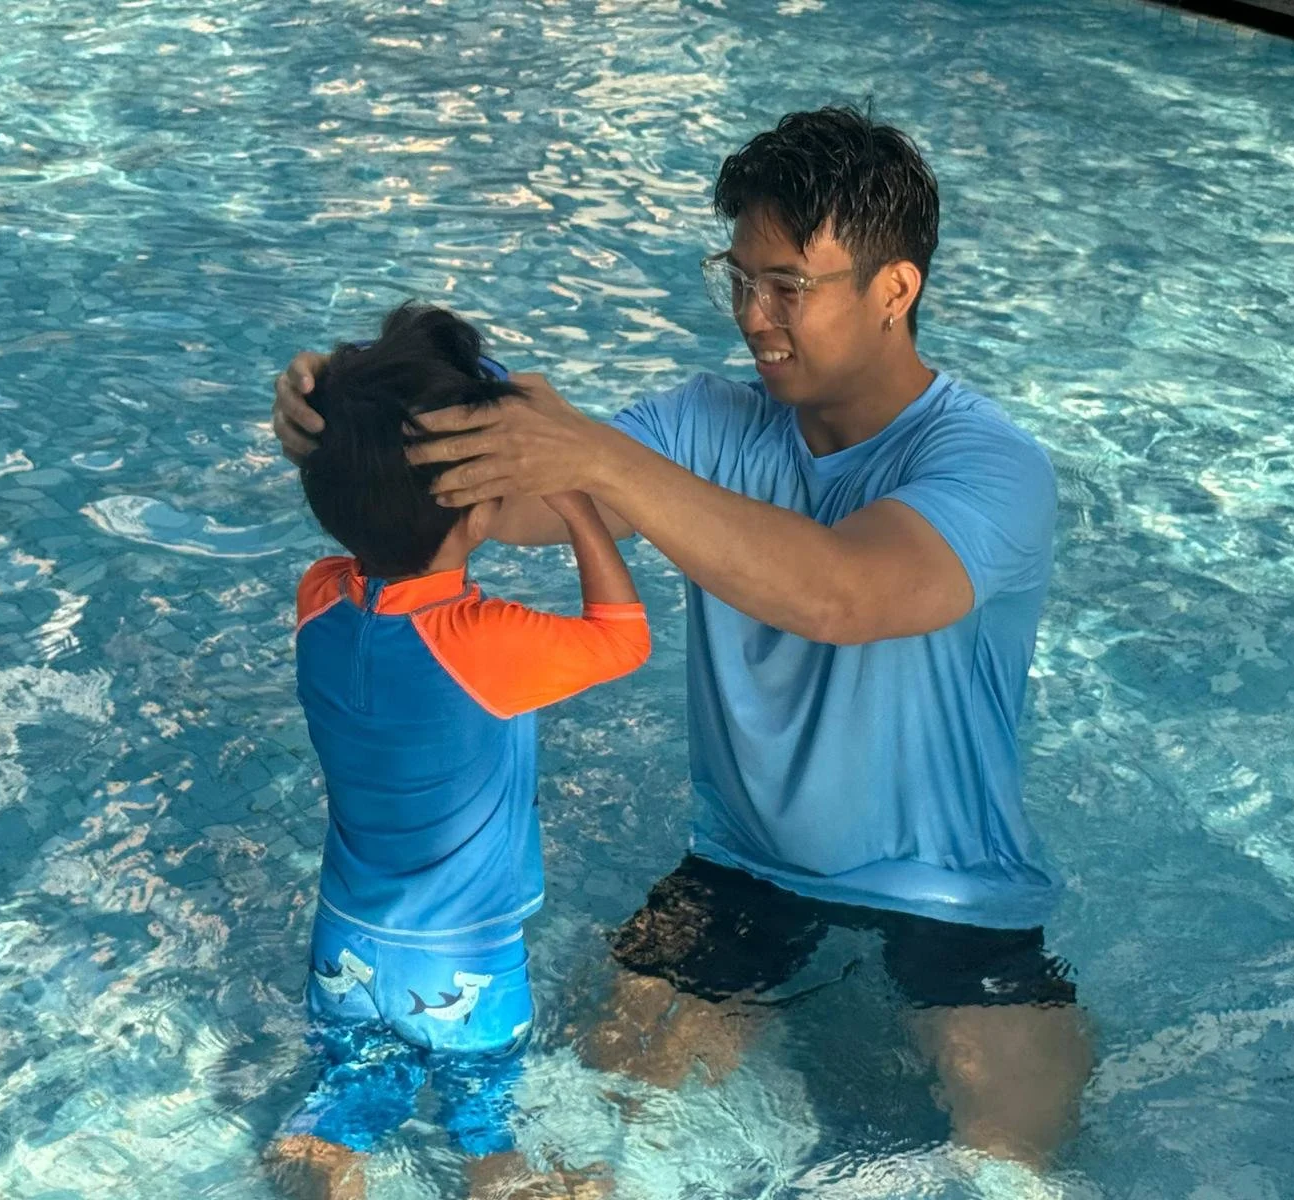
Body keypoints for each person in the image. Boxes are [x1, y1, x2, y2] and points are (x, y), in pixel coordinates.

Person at [274, 107, 1091, 1168]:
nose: (754, 316)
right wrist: (343, 433)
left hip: (956, 897)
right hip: (738, 875)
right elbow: (500, 508)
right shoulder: (706, 422)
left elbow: (843, 593)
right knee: (570, 1141)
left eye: (787, 285)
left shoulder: (990, 466)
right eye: (738, 278)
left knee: (1007, 1170)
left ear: (895, 290)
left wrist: (605, 463)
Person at [269, 303, 649, 1199]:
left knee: (344, 1111)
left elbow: (356, 499)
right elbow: (624, 637)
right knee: (487, 1134)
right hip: (466, 962)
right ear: (478, 502)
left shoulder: (318, 601)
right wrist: (571, 494)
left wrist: (345, 420)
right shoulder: (486, 642)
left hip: (345, 949)